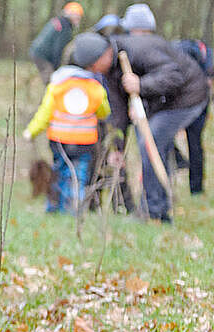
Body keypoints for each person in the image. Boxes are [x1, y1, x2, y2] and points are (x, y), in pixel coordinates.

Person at [103, 4, 208, 222]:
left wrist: (141, 85)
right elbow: (121, 107)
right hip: (165, 103)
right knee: (151, 141)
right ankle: (156, 205)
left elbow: (173, 78)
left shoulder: (148, 47)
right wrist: (118, 146)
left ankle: (155, 209)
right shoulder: (128, 51)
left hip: (188, 99)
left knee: (150, 141)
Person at [23, 33, 112, 215]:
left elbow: (44, 113)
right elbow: (104, 112)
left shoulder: (57, 85)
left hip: (59, 141)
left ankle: (53, 207)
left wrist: (31, 131)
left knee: (58, 172)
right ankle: (73, 211)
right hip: (84, 143)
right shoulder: (95, 88)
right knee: (78, 176)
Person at [173, 38, 210, 195]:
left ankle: (194, 186)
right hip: (198, 103)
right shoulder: (202, 64)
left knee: (166, 140)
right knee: (195, 145)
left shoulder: (176, 59)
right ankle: (196, 189)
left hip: (193, 104)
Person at [29, 3, 85, 79]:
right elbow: (58, 49)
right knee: (51, 80)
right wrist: (57, 68)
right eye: (77, 16)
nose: (78, 19)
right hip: (43, 55)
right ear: (70, 15)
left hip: (38, 52)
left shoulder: (59, 21)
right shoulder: (65, 27)